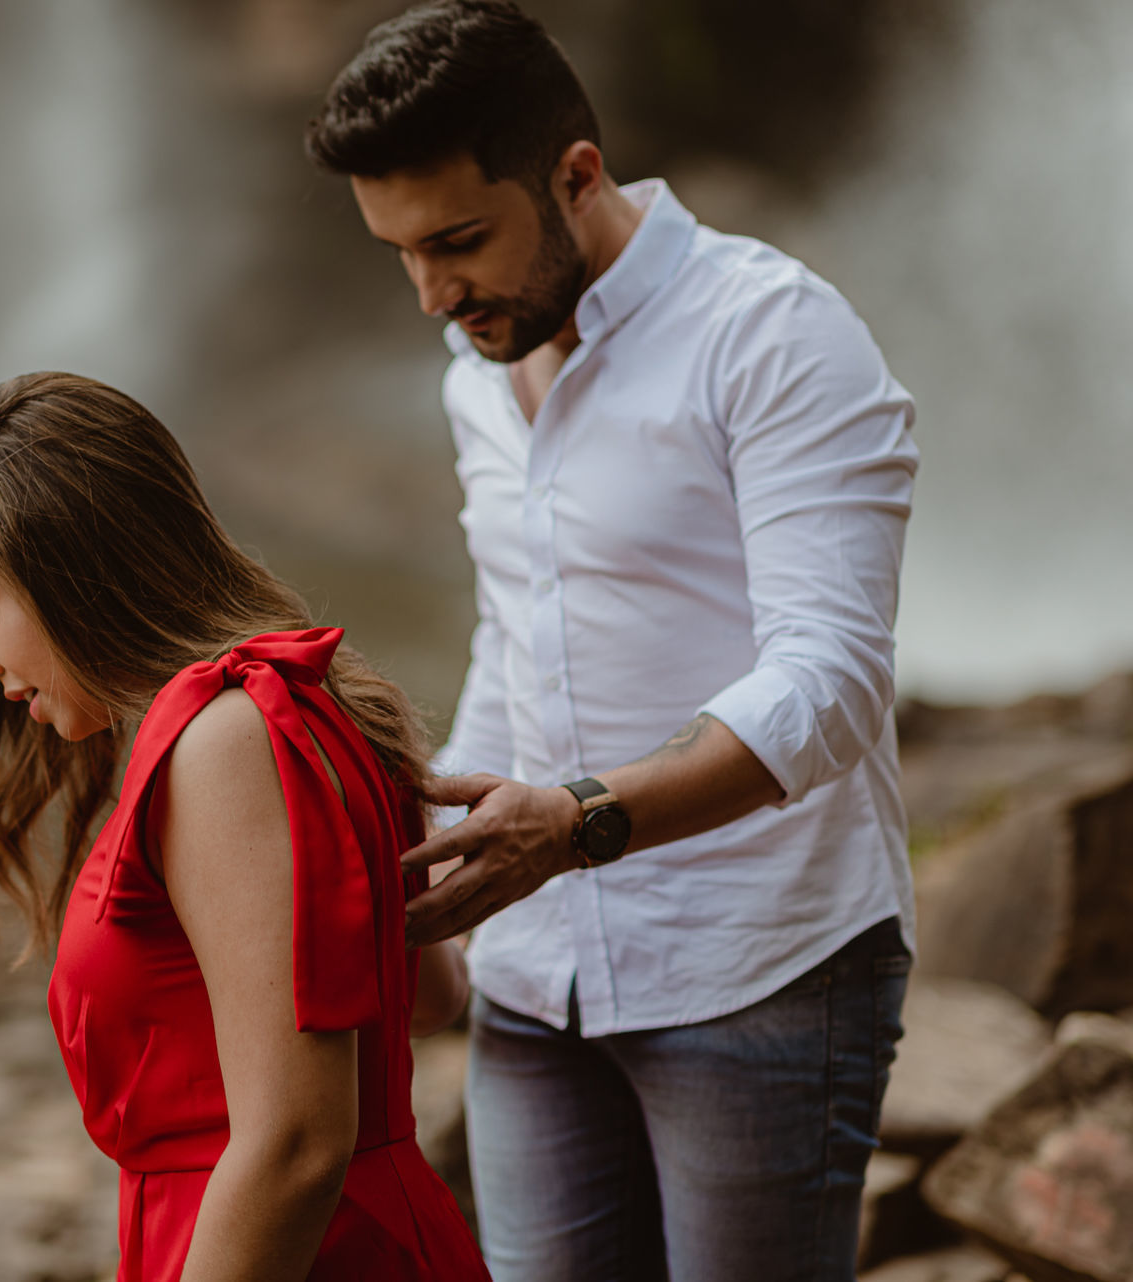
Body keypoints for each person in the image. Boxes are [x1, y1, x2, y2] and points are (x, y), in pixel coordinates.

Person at [304, 3, 920, 1279]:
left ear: (575, 175)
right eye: (399, 255)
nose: (431, 295)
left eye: (459, 242)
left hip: (762, 969)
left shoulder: (774, 334)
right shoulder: (478, 367)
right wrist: (424, 844)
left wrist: (576, 823)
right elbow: (519, 635)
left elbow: (834, 680)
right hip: (535, 985)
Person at [0, 371, 490, 1282]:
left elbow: (299, 1142)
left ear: (76, 562)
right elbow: (427, 997)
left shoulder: (225, 742)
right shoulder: (302, 705)